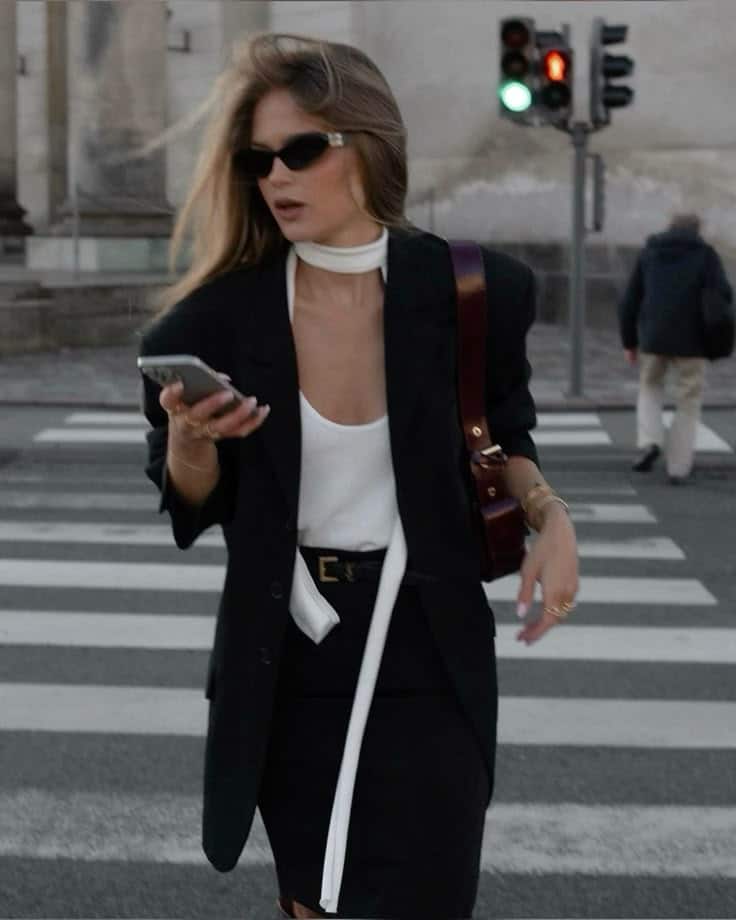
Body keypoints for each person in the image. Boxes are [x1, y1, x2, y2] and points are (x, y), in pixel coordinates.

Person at [139, 33, 579, 920]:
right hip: (290, 656)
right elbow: (191, 501)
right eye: (258, 160)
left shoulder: (474, 292)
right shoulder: (214, 322)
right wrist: (191, 440)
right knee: (315, 903)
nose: (276, 177)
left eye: (301, 150)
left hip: (429, 646)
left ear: (368, 144)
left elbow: (503, 436)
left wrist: (551, 517)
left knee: (427, 895)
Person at [619, 213, 733, 484]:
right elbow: (723, 296)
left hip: (653, 337)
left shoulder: (650, 253)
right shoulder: (706, 256)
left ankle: (650, 441)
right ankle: (678, 466)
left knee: (650, 387)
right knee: (688, 401)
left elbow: (630, 300)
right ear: (697, 230)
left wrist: (629, 342)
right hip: (693, 342)